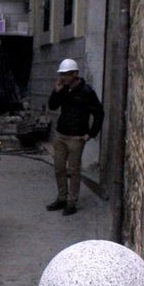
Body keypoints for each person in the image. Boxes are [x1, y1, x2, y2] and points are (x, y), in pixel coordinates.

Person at [46, 58, 104, 216]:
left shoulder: (87, 91)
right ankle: (61, 198)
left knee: (73, 170)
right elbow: (53, 106)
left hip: (76, 137)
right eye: (61, 74)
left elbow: (99, 113)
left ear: (75, 74)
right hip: (61, 135)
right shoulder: (63, 89)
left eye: (66, 74)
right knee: (59, 168)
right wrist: (56, 91)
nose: (63, 77)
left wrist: (90, 134)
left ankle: (71, 202)